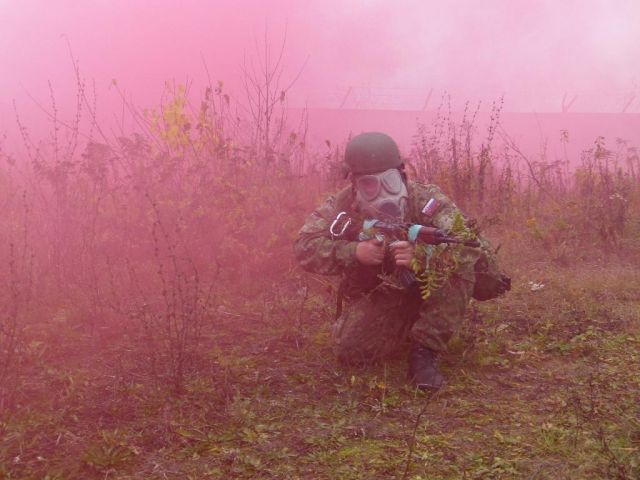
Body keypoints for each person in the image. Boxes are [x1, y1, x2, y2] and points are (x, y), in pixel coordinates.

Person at [294, 132, 509, 391]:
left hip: (434, 281)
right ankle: (409, 322)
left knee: (458, 264)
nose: (383, 193)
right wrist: (354, 251)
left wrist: (423, 256)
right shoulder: (342, 206)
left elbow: (466, 243)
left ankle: (425, 351)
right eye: (369, 184)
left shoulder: (427, 201)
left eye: (390, 182)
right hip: (390, 291)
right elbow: (304, 247)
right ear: (354, 184)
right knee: (352, 353)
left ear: (402, 174)